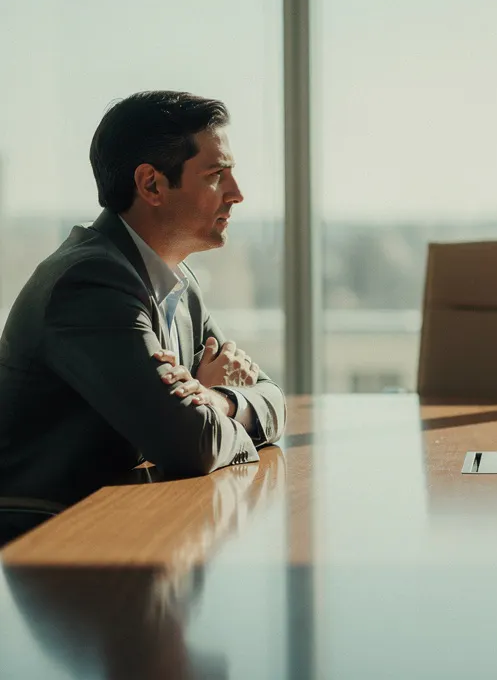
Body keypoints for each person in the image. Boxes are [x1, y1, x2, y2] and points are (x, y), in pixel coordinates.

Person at [0, 91, 286, 526]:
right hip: (52, 540)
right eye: (215, 175)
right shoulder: (91, 282)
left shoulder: (179, 281)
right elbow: (189, 444)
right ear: (151, 184)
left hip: (127, 521)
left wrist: (217, 399)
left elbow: (273, 399)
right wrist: (203, 415)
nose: (237, 193)